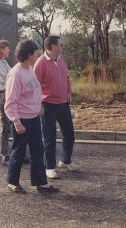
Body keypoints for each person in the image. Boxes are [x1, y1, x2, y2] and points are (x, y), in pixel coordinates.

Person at [4, 40, 59, 194]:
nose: (37, 55)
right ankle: (12, 182)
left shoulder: (29, 69)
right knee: (19, 152)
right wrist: (16, 122)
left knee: (38, 150)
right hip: (21, 120)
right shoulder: (15, 74)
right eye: (35, 53)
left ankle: (41, 183)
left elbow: (34, 91)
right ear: (29, 55)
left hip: (34, 117)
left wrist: (38, 106)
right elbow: (10, 102)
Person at [34, 35, 80, 179]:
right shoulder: (40, 63)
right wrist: (38, 104)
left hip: (63, 103)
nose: (62, 46)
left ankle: (65, 161)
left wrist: (68, 91)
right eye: (61, 44)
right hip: (47, 105)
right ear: (53, 47)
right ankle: (49, 167)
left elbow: (66, 77)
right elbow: (35, 86)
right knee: (49, 137)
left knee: (69, 134)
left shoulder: (61, 58)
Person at [0, 40, 30, 166]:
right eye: (7, 48)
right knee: (6, 126)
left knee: (15, 125)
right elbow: (9, 77)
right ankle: (5, 154)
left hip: (10, 94)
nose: (9, 50)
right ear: (1, 49)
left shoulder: (4, 62)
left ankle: (18, 153)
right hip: (3, 95)